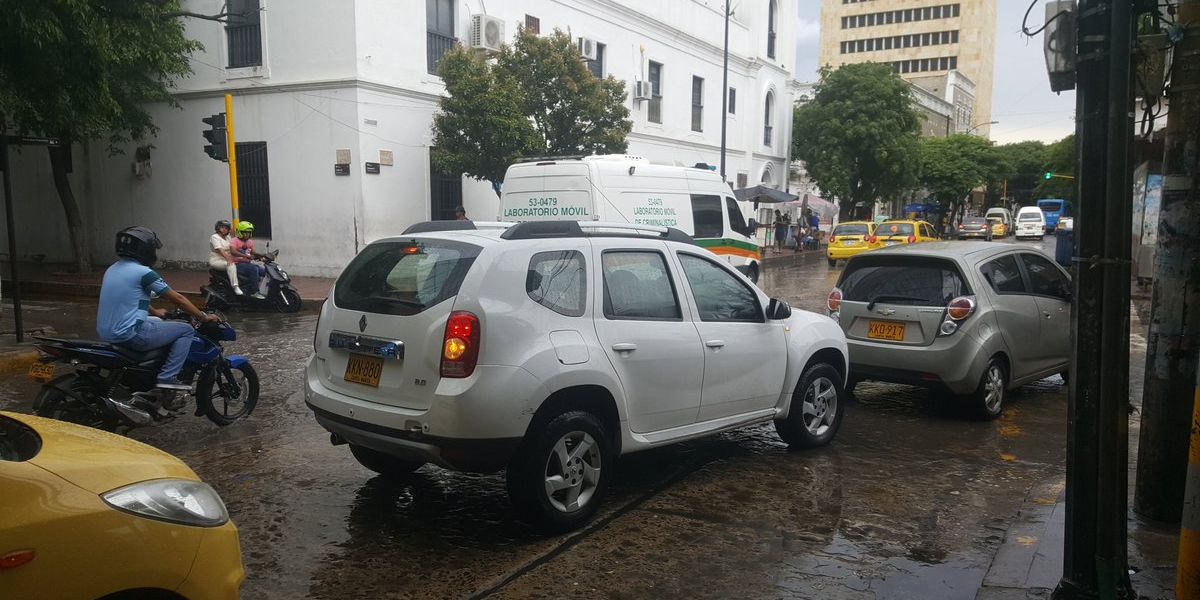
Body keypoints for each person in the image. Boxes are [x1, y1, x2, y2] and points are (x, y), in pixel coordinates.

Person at [97, 226, 218, 390]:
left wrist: (154, 312)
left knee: (156, 320)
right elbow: (178, 299)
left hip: (107, 332)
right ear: (145, 249)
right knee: (185, 330)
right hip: (129, 333)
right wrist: (202, 316)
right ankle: (167, 378)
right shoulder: (143, 273)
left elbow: (133, 298)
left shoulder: (112, 269)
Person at [230, 221, 267, 300]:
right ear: (240, 232)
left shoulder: (249, 242)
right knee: (254, 269)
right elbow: (233, 251)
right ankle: (255, 292)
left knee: (265, 271)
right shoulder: (234, 240)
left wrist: (263, 256)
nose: (248, 235)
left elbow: (253, 253)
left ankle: (265, 290)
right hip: (237, 264)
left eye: (249, 233)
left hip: (247, 264)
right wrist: (245, 256)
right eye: (246, 233)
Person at [208, 219, 243, 296]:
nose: (224, 229)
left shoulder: (228, 237)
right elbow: (220, 250)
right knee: (231, 265)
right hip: (217, 260)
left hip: (227, 259)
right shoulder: (214, 237)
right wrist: (229, 259)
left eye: (226, 228)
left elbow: (234, 245)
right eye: (222, 227)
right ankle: (235, 287)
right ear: (218, 228)